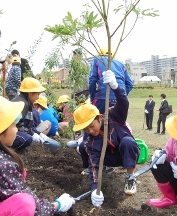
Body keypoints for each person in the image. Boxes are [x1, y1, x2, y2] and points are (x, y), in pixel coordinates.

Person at [72, 70, 139, 207]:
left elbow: (124, 103)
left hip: (126, 154)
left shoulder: (113, 115)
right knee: (84, 147)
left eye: (92, 126)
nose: (90, 131)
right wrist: (94, 189)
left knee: (127, 141)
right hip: (109, 159)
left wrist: (115, 86)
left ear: (100, 117)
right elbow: (94, 165)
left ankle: (130, 178)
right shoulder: (92, 141)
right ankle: (106, 169)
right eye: (86, 129)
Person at [12, 77, 61, 151]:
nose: (38, 97)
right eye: (38, 94)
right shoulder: (22, 104)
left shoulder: (26, 102)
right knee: (27, 139)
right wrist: (33, 135)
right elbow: (18, 126)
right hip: (9, 134)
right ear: (30, 93)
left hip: (13, 132)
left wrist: (39, 134)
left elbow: (27, 126)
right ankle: (11, 150)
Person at [89, 48, 133, 114]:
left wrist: (93, 98)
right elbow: (130, 84)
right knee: (118, 122)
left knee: (98, 121)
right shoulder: (120, 64)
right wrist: (122, 95)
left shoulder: (97, 60)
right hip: (119, 99)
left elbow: (92, 80)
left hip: (102, 97)